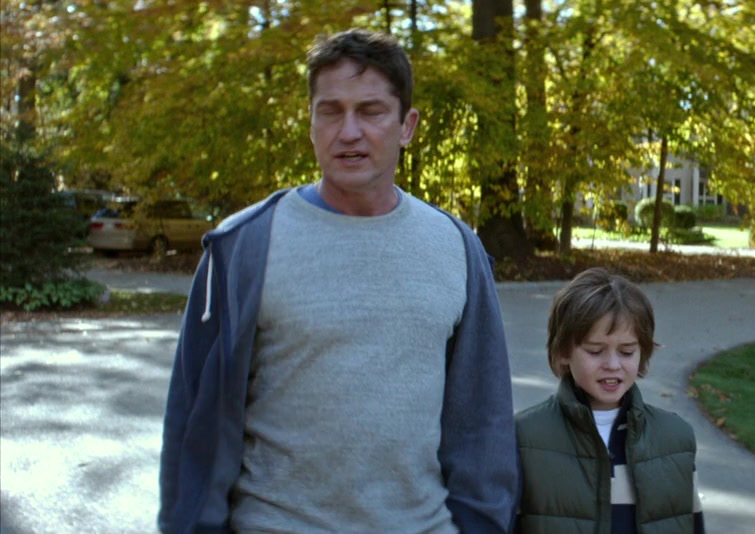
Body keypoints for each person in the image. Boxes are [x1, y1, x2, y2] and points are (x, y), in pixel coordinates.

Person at [158, 29, 518, 533]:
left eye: (370, 111)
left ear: (407, 125)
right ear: (310, 124)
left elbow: (483, 425)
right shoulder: (244, 245)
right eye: (330, 112)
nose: (349, 132)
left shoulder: (457, 248)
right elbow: (193, 425)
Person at [515, 268, 706, 533]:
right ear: (563, 351)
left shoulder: (675, 440)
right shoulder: (523, 438)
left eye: (627, 352)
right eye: (595, 351)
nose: (613, 365)